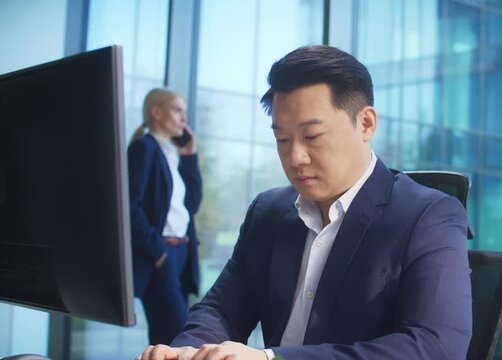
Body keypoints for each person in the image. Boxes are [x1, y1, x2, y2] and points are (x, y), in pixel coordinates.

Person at [137, 45, 471, 360]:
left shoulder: (429, 216)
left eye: (312, 137)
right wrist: (187, 351)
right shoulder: (268, 212)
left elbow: (435, 347)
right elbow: (220, 309)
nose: (295, 157)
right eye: (282, 139)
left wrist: (272, 358)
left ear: (366, 123)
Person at [128, 88, 203, 345]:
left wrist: (190, 157)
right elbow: (130, 207)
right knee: (178, 337)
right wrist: (158, 252)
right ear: (156, 112)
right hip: (161, 254)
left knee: (166, 339)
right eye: (177, 110)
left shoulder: (172, 153)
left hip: (182, 252)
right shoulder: (144, 148)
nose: (184, 118)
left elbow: (192, 203)